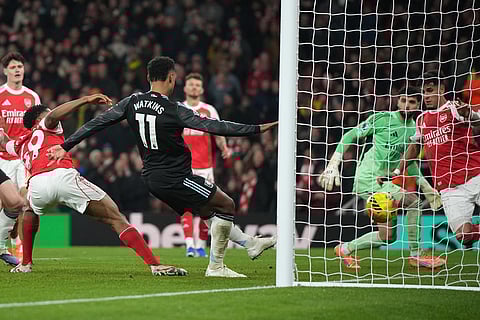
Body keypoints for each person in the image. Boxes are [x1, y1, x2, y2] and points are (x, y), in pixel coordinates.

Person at [48, 56, 278, 277]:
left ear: (148, 77)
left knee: (209, 212)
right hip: (175, 177)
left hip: (151, 178)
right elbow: (214, 126)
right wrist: (256, 129)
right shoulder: (173, 109)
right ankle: (216, 267)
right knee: (227, 205)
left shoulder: (132, 102)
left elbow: (97, 123)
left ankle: (250, 244)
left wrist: (66, 146)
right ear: (171, 77)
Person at [0, 93, 187, 276]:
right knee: (116, 217)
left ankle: (26, 263)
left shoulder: (20, 144)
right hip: (62, 176)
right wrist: (85, 100)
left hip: (38, 184)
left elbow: (4, 142)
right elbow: (54, 115)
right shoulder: (46, 125)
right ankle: (154, 265)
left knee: (29, 209)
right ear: (39, 118)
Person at [318, 86, 446, 269]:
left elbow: (408, 161)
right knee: (414, 202)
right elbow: (351, 134)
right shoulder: (383, 119)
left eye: (411, 102)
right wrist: (333, 164)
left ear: (418, 104)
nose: (407, 105)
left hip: (383, 182)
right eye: (403, 100)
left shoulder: (414, 129)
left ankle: (344, 249)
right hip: (368, 178)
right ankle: (417, 256)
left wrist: (426, 187)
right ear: (397, 101)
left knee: (387, 237)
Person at [182, 72, 276, 258]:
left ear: (201, 89)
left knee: (205, 207)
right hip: (183, 166)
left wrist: (223, 146)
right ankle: (189, 246)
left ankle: (200, 246)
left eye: (197, 85)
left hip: (205, 166)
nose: (193, 87)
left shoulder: (208, 110)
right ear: (184, 88)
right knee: (186, 206)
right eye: (190, 84)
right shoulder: (179, 109)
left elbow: (218, 130)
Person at [400, 71, 480, 245]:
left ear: (441, 89)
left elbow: (476, 122)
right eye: (424, 92)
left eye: (429, 90)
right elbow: (415, 147)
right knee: (464, 237)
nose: (426, 96)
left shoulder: (455, 108)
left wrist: (470, 115)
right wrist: (398, 169)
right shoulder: (422, 119)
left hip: (474, 175)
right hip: (450, 188)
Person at [0, 51, 41, 266]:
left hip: (22, 158)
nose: (17, 70)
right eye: (13, 67)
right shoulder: (0, 95)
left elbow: (37, 127)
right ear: (5, 70)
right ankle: (8, 240)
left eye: (20, 67)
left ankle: (21, 249)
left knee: (25, 202)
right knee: (6, 204)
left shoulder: (32, 97)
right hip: (2, 157)